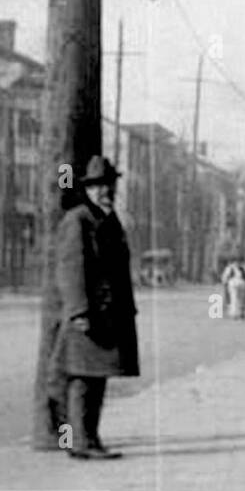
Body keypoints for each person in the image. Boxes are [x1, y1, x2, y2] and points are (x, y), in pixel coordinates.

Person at [50, 156, 139, 460]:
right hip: (88, 315)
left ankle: (90, 438)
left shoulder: (107, 219)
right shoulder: (78, 219)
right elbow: (70, 269)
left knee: (96, 378)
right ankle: (81, 442)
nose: (106, 191)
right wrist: (79, 312)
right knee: (82, 379)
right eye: (99, 186)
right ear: (88, 188)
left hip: (107, 314)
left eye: (109, 185)